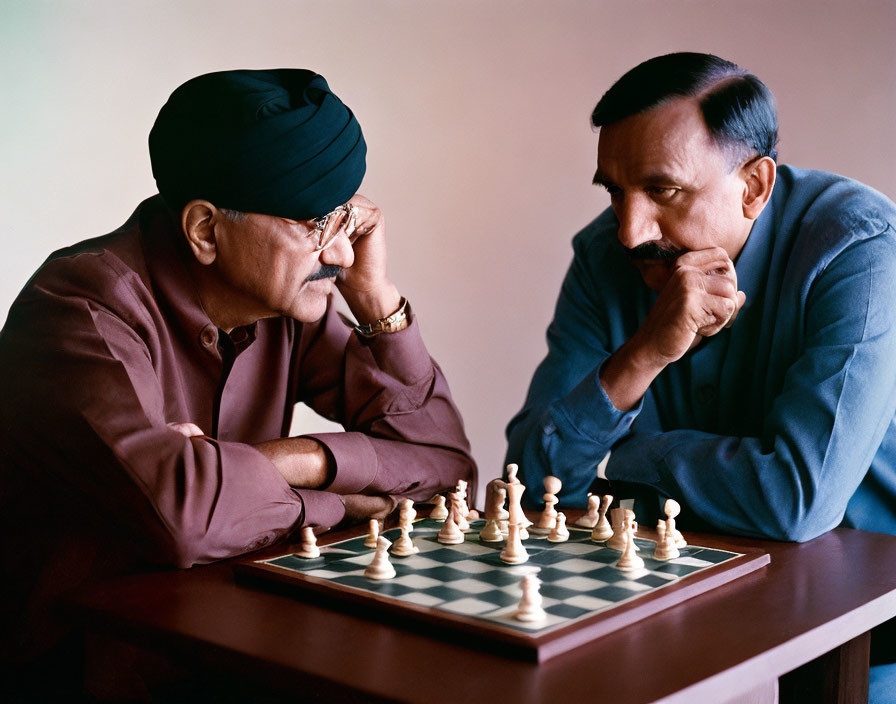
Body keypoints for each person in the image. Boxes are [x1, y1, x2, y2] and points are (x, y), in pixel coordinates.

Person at [0, 69, 476, 697]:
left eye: (347, 220)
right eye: (314, 223)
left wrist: (373, 307)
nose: (340, 254)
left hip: (228, 650)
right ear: (204, 230)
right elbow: (184, 522)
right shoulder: (79, 309)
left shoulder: (290, 304)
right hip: (78, 671)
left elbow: (446, 470)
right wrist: (332, 504)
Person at [505, 51, 896, 701]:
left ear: (755, 186)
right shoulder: (605, 256)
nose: (630, 230)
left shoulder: (857, 247)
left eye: (662, 191)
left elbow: (799, 500)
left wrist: (631, 454)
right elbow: (534, 486)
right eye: (614, 190)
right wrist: (645, 354)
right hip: (699, 595)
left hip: (873, 622)